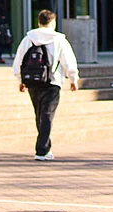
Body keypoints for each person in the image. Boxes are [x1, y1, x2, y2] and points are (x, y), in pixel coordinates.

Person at [13, 10, 80, 161]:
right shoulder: (59, 40)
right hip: (52, 82)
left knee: (39, 114)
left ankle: (44, 146)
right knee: (47, 115)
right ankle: (42, 150)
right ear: (53, 23)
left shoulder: (28, 39)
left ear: (39, 22)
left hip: (32, 81)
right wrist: (73, 78)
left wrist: (20, 80)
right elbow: (68, 60)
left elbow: (19, 61)